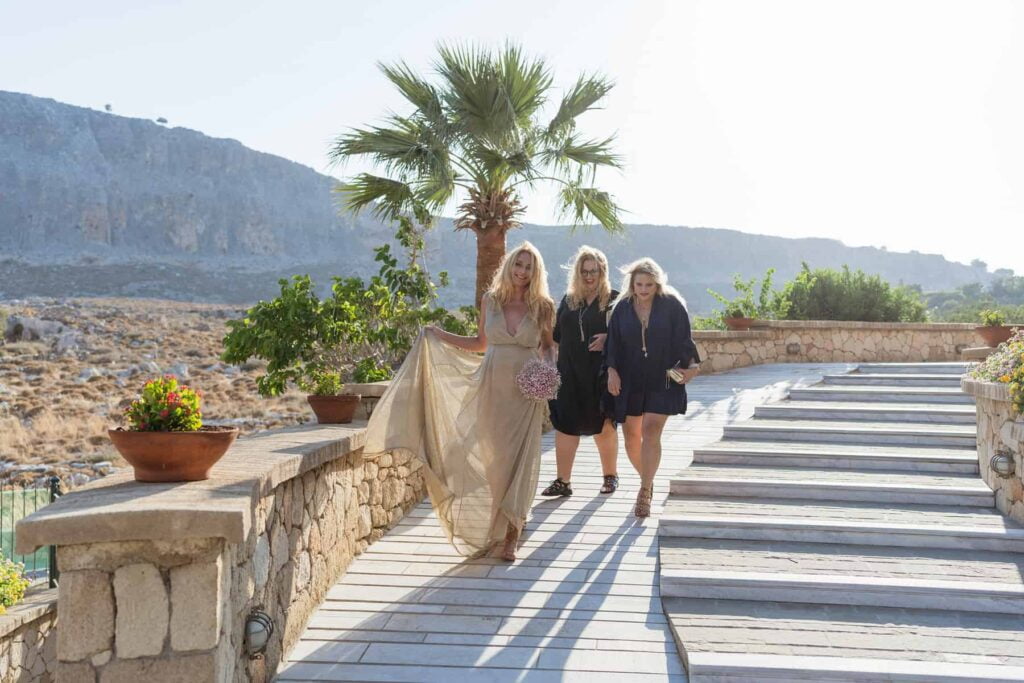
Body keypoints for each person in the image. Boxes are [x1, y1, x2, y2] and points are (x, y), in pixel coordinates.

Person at [364, 241, 556, 562]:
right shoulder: (490, 300)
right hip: (491, 389)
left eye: (529, 267)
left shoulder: (543, 306)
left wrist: (548, 371)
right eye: (518, 264)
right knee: (495, 463)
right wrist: (440, 335)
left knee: (520, 461)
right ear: (509, 265)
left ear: (536, 273)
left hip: (525, 393)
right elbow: (481, 343)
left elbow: (548, 346)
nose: (522, 272)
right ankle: (498, 527)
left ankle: (512, 534)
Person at [605, 258, 701, 518]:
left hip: (664, 377)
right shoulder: (622, 308)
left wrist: (692, 367)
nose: (644, 289)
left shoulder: (672, 306)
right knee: (631, 437)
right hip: (630, 378)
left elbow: (685, 340)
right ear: (632, 284)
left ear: (657, 283)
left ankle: (645, 490)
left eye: (649, 284)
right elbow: (613, 343)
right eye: (639, 284)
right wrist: (611, 371)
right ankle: (647, 477)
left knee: (650, 431)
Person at [541, 246, 620, 498]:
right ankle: (563, 481)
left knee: (604, 424)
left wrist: (608, 338)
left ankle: (610, 476)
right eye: (584, 271)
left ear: (602, 271)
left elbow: (627, 335)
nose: (589, 276)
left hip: (599, 374)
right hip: (568, 373)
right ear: (577, 272)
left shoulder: (615, 300)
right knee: (565, 424)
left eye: (593, 271)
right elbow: (555, 338)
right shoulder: (568, 300)